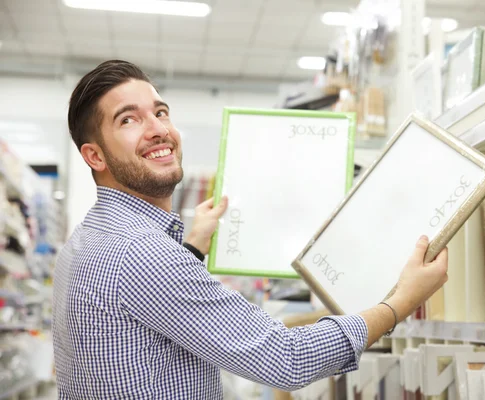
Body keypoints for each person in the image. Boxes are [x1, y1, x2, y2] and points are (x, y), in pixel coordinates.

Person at [53, 59, 449, 399]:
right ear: (94, 155)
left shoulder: (87, 239)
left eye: (160, 112)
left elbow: (147, 322)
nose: (158, 129)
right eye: (129, 119)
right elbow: (287, 358)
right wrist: (399, 302)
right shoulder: (144, 253)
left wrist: (190, 249)